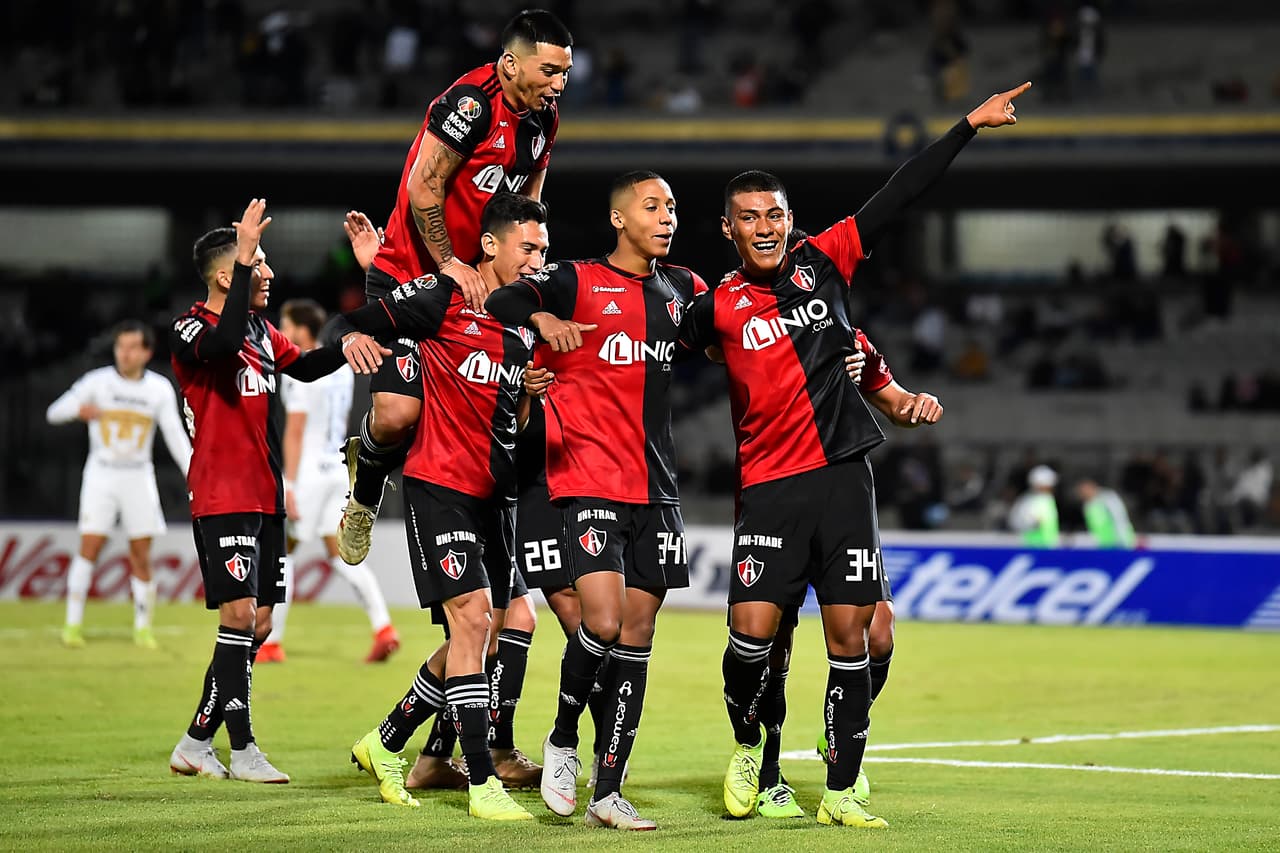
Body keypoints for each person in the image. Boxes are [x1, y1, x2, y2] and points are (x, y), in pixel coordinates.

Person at [676, 81, 1028, 829]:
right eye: (750, 219)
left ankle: (840, 782)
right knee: (750, 643)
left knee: (861, 635)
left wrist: (967, 124)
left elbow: (900, 193)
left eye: (775, 214)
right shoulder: (714, 308)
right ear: (729, 230)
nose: (765, 226)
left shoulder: (826, 261)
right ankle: (750, 749)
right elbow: (652, 353)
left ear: (790, 220)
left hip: (842, 479)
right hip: (769, 488)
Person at [487, 170, 708, 830]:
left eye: (671, 204)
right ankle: (561, 737)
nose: (666, 215)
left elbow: (729, 327)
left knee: (636, 639)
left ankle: (608, 791)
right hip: (585, 479)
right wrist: (543, 315)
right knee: (602, 621)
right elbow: (500, 302)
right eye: (651, 205)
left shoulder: (684, 289)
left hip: (657, 487)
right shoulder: (576, 279)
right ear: (619, 219)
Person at [336, 193, 550, 820]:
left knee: (499, 631)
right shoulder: (443, 300)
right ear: (489, 244)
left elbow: (513, 417)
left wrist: (529, 396)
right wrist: (354, 329)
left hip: (496, 495)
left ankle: (388, 741)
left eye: (545, 249)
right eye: (528, 247)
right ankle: (483, 778)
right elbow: (370, 318)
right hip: (440, 486)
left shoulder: (523, 326)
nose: (540, 260)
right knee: (475, 623)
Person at [337, 8, 573, 567]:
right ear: (511, 64)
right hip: (414, 276)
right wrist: (448, 262)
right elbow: (425, 187)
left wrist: (532, 259)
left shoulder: (544, 119)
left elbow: (528, 206)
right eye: (550, 71)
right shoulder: (471, 105)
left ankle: (480, 566)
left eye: (565, 73)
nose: (560, 84)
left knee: (500, 407)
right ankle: (365, 493)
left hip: (482, 290)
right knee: (397, 415)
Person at [166, 199, 386, 784]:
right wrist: (243, 260)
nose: (268, 272)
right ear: (226, 273)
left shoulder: (263, 332)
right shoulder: (191, 326)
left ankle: (194, 742)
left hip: (265, 495)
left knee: (259, 624)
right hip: (223, 492)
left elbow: (309, 367)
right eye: (257, 263)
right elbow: (219, 346)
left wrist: (349, 341)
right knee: (239, 617)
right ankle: (243, 750)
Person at [256, 296, 400, 664]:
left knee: (283, 555)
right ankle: (383, 626)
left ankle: (271, 641)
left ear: (302, 332)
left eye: (287, 327)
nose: (283, 334)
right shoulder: (339, 369)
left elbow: (296, 431)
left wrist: (287, 483)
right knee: (340, 555)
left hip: (308, 474)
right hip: (338, 468)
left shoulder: (305, 372)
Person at [46, 320, 191, 649]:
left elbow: (175, 436)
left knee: (141, 554)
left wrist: (193, 472)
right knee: (90, 547)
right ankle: (72, 624)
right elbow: (54, 412)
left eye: (131, 348)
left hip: (138, 476)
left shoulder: (157, 389)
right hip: (102, 474)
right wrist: (77, 410)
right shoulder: (97, 383)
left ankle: (143, 627)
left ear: (146, 352)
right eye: (119, 347)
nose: (124, 354)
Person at [1075, 477, 1136, 549]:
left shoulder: (1107, 498)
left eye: (1084, 491)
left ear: (1092, 487)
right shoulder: (1087, 505)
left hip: (1118, 541)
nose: (1082, 494)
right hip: (1103, 544)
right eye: (1081, 492)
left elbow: (1119, 517)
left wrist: (1122, 539)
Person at [1010, 464, 1061, 547]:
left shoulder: (1047, 499)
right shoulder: (1030, 500)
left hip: (1047, 546)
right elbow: (1018, 523)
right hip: (1034, 546)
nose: (1052, 487)